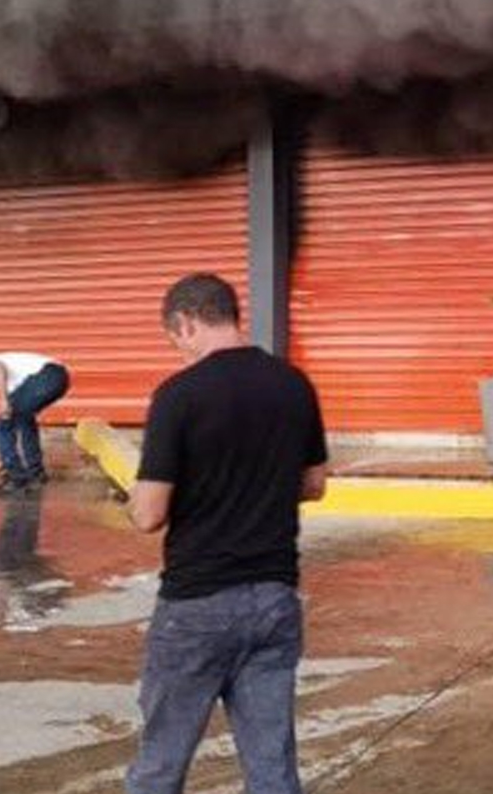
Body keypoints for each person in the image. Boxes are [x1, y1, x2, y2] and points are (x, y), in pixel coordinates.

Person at [126, 274, 330, 794]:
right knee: (272, 767)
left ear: (188, 322)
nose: (179, 349)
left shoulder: (178, 396)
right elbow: (314, 484)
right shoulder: (293, 383)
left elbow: (149, 514)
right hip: (274, 599)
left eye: (176, 338)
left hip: (197, 604)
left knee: (160, 764)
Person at [0, 351, 71, 497]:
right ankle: (35, 473)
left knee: (1, 423)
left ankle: (17, 479)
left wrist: (4, 402)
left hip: (46, 375)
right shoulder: (13, 384)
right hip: (60, 378)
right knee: (24, 419)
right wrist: (5, 457)